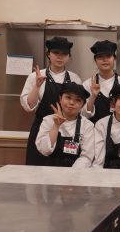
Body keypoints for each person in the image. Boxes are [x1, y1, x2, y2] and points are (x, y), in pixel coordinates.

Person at [21, 37, 82, 165]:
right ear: (48, 54)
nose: (60, 57)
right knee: (37, 169)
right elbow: (28, 107)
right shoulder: (35, 76)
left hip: (67, 130)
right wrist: (37, 85)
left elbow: (79, 106)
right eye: (56, 53)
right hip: (42, 129)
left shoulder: (74, 78)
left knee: (65, 169)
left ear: (69, 57)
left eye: (64, 54)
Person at [35, 81, 94, 168]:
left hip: (76, 172)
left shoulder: (87, 125)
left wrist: (69, 173)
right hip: (48, 171)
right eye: (68, 97)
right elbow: (44, 150)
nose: (72, 102)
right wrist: (56, 126)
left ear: (82, 105)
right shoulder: (48, 120)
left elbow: (86, 157)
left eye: (78, 100)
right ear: (60, 99)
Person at [82, 40, 120, 124]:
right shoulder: (87, 84)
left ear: (114, 59)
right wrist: (93, 96)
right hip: (95, 129)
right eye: (100, 57)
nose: (105, 60)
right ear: (95, 61)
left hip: (118, 129)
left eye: (108, 56)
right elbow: (84, 115)